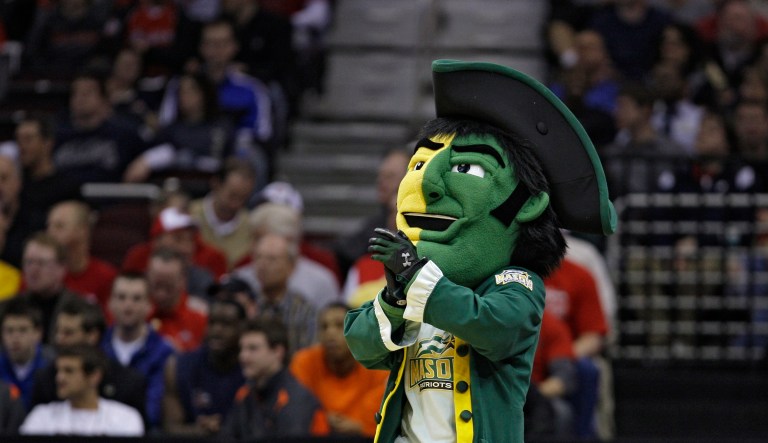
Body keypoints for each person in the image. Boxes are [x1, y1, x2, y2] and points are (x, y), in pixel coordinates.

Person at [344, 60, 616, 442]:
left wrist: (417, 278)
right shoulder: (413, 283)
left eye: (468, 168)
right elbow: (363, 346)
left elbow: (493, 328)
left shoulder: (517, 284)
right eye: (420, 163)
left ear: (525, 204)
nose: (428, 184)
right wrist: (393, 294)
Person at [29, 297, 146, 419]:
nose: (59, 339)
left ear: (92, 336)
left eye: (68, 333)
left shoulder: (127, 383)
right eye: (58, 331)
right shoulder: (46, 380)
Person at [220, 317, 329, 440]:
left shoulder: (297, 399)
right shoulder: (244, 394)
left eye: (253, 348)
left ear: (278, 351)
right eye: (241, 349)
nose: (243, 356)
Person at [290, 302, 388, 437]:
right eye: (324, 327)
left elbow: (385, 422)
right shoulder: (304, 362)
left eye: (339, 325)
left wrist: (361, 428)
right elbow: (296, 413)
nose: (330, 333)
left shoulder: (378, 363)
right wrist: (322, 420)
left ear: (358, 331)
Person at [162, 293, 246, 436]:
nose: (217, 331)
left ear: (243, 328)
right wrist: (199, 431)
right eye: (212, 323)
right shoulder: (178, 366)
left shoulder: (254, 369)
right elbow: (170, 429)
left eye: (226, 324)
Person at [101, 272, 175, 430]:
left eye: (136, 298)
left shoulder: (163, 352)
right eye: (121, 297)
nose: (128, 306)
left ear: (149, 306)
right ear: (109, 303)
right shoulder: (96, 347)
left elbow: (154, 409)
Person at [20, 345, 144, 436]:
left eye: (69, 371)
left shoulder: (125, 418)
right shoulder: (42, 416)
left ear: (94, 376)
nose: (59, 378)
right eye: (59, 371)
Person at [236, 201, 340, 309]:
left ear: (288, 239)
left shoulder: (320, 283)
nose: (252, 245)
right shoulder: (241, 279)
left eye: (259, 238)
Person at [53, 70, 148, 185]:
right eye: (75, 93)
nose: (80, 99)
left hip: (111, 199)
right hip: (65, 198)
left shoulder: (124, 133)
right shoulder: (58, 134)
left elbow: (152, 151)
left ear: (103, 98)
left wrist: (145, 161)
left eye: (87, 93)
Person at [236, 233, 317, 355]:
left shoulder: (305, 310)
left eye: (271, 259)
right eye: (258, 257)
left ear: (291, 266)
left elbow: (307, 355)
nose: (262, 265)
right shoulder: (244, 305)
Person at [333, 147, 410, 276]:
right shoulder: (375, 224)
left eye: (389, 176)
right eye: (380, 175)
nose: (380, 181)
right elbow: (346, 251)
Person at [122, 205, 228, 292]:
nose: (186, 248)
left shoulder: (204, 274)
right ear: (158, 240)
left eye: (191, 240)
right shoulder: (137, 258)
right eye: (178, 239)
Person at [46, 200, 117, 311]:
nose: (50, 232)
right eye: (49, 226)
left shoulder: (105, 276)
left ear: (82, 230)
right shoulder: (41, 274)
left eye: (59, 226)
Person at [189, 157, 257, 269]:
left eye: (243, 198)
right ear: (215, 184)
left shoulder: (251, 226)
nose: (236, 204)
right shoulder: (190, 215)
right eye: (232, 196)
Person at [18, 232, 82, 345]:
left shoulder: (81, 309)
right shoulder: (7, 309)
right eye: (29, 262)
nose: (33, 270)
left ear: (61, 268)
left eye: (41, 263)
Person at [145, 247, 208, 352]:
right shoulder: (135, 310)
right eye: (156, 286)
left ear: (183, 281)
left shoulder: (200, 316)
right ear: (147, 277)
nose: (161, 294)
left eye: (169, 287)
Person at [0, 297, 49, 410]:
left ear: (38, 333)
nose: (15, 338)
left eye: (23, 330)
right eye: (9, 330)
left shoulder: (51, 366)